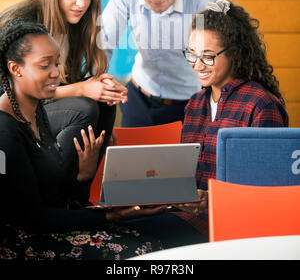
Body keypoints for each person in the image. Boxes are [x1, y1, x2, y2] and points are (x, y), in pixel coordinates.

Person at [0, 19, 208, 260]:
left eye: (56, 62)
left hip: (48, 227)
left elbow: (54, 198)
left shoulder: (33, 111)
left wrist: (84, 176)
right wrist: (114, 215)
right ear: (15, 69)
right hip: (22, 243)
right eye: (45, 65)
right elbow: (37, 219)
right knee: (140, 250)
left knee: (154, 238)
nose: (56, 72)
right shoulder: (5, 131)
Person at [0, 0, 127, 176]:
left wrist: (99, 92)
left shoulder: (75, 25)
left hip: (41, 109)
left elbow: (62, 85)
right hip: (11, 114)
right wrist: (82, 89)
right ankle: (60, 196)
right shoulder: (20, 24)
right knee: (83, 108)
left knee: (104, 101)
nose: (82, 3)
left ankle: (80, 195)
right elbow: (11, 96)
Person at [177, 0, 289, 234]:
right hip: (183, 218)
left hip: (229, 226)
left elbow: (268, 193)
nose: (198, 65)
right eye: (192, 54)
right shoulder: (195, 104)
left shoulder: (260, 105)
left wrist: (212, 198)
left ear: (235, 53)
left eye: (208, 56)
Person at [101, 0, 219, 127]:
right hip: (140, 97)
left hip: (191, 104)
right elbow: (103, 42)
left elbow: (226, 58)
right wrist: (99, 79)